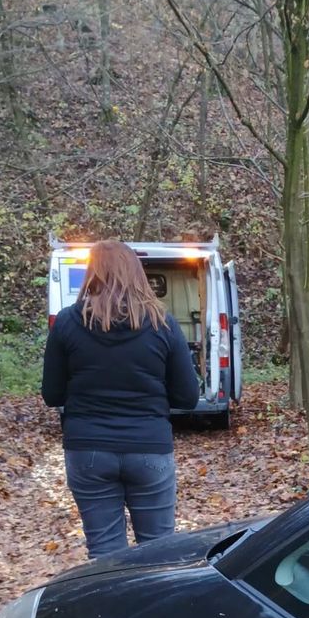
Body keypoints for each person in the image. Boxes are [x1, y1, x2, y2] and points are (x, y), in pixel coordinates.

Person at [42, 239, 200, 558]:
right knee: (158, 552)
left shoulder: (68, 324)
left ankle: (108, 608)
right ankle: (154, 608)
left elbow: (52, 394)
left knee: (104, 554)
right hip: (149, 447)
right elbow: (188, 396)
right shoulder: (163, 324)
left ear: (91, 274)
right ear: (137, 273)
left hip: (88, 450)